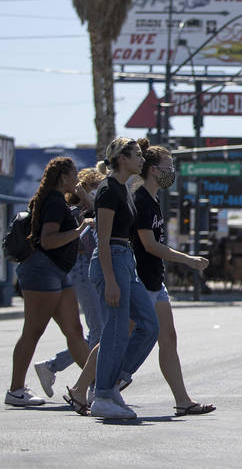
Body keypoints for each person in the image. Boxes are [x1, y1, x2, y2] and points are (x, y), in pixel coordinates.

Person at [129, 140, 216, 416]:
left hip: (155, 281)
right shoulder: (141, 198)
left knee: (168, 337)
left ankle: (182, 400)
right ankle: (89, 388)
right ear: (153, 170)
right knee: (118, 337)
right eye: (169, 167)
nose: (172, 172)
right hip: (141, 281)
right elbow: (150, 245)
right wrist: (189, 260)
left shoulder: (153, 199)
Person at [6, 157, 93, 408]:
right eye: (74, 173)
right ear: (63, 177)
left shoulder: (57, 201)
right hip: (42, 271)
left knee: (74, 332)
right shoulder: (54, 202)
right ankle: (16, 390)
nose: (77, 177)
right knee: (33, 332)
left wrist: (84, 201)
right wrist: (78, 231)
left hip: (57, 272)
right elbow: (48, 240)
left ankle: (100, 386)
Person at [88, 138, 160, 420]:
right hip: (112, 261)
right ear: (122, 158)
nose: (142, 160)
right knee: (115, 331)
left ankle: (111, 384)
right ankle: (102, 395)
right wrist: (110, 279)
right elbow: (102, 239)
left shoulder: (124, 189)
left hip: (125, 261)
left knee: (149, 325)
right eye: (137, 155)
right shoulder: (108, 190)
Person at [31, 168, 103, 400]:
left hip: (87, 271)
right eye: (95, 191)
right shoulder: (76, 211)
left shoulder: (86, 210)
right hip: (82, 270)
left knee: (94, 332)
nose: (98, 196)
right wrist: (88, 207)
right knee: (98, 331)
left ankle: (52, 367)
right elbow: (82, 240)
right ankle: (91, 386)